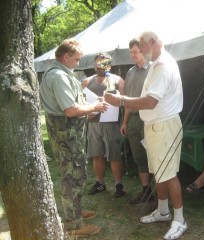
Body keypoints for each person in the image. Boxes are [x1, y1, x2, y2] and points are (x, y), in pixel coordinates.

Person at [104, 31, 187, 240]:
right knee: (158, 172)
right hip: (154, 126)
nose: (139, 51)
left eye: (141, 47)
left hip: (164, 126)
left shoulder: (163, 66)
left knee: (168, 174)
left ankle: (180, 220)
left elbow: (150, 101)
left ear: (152, 42)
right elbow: (146, 99)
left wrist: (121, 100)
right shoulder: (156, 63)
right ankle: (162, 211)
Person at [39, 39, 106, 237]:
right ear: (66, 57)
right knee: (71, 176)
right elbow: (70, 110)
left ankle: (75, 212)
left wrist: (89, 111)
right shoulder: (59, 76)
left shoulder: (62, 74)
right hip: (66, 136)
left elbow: (75, 105)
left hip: (70, 135)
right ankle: (74, 225)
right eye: (76, 59)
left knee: (77, 174)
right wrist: (93, 108)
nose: (78, 63)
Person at [81, 52, 126, 198]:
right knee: (97, 155)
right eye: (98, 63)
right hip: (93, 124)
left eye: (104, 63)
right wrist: (89, 111)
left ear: (109, 65)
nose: (101, 66)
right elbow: (81, 103)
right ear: (94, 65)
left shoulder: (118, 80)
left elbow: (124, 102)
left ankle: (119, 185)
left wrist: (110, 101)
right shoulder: (87, 82)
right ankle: (100, 183)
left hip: (111, 124)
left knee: (114, 155)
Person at [120, 38, 154, 204]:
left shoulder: (153, 69)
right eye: (131, 52)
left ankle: (159, 191)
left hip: (149, 119)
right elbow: (127, 101)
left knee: (153, 154)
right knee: (139, 156)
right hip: (133, 119)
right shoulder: (130, 72)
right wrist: (125, 122)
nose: (132, 55)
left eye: (135, 52)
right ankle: (146, 191)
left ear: (143, 51)